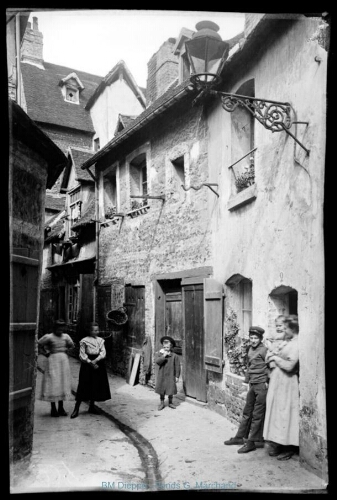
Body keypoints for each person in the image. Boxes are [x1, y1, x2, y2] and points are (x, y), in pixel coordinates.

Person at [224, 326, 269, 453]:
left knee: (257, 414)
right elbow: (249, 367)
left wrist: (267, 381)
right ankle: (240, 437)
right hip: (252, 385)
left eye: (256, 338)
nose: (253, 340)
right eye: (251, 337)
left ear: (261, 339)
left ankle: (251, 442)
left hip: (261, 385)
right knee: (247, 411)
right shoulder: (250, 349)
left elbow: (270, 366)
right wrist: (246, 382)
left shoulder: (264, 350)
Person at [263, 315, 300, 460]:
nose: (283, 331)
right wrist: (272, 357)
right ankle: (278, 442)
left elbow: (290, 366)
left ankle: (289, 446)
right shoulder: (286, 341)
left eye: (285, 328)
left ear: (292, 329)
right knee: (277, 411)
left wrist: (275, 358)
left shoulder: (297, 344)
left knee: (286, 413)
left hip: (287, 381)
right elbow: (269, 357)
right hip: (277, 380)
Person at [70, 322, 111, 418]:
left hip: (98, 363)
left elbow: (103, 353)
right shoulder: (84, 341)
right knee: (83, 385)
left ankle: (92, 406)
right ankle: (76, 408)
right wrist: (90, 362)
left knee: (95, 385)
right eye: (93, 330)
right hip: (87, 365)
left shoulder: (101, 340)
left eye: (97, 330)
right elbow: (82, 355)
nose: (96, 332)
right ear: (89, 331)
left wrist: (96, 361)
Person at [38, 319, 75, 417]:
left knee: (62, 383)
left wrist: (66, 350)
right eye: (58, 328)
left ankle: (61, 408)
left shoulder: (66, 337)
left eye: (62, 329)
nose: (60, 331)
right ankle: (53, 409)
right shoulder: (49, 337)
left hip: (63, 361)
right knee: (53, 384)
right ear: (54, 328)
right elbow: (39, 344)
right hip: (53, 361)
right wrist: (46, 352)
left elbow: (72, 345)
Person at [155, 336, 180, 410]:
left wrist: (177, 376)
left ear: (171, 347)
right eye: (164, 347)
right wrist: (163, 356)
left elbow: (177, 366)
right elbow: (157, 362)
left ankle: (170, 402)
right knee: (161, 389)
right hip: (162, 375)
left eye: (167, 347)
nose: (166, 349)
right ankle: (162, 403)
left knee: (170, 388)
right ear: (163, 347)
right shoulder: (160, 354)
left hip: (171, 375)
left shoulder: (175, 356)